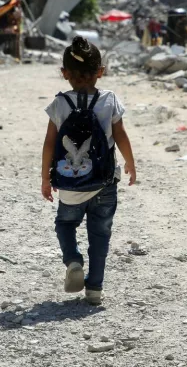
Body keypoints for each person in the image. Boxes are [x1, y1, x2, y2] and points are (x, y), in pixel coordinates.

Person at [41, 37, 137, 306]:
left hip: (70, 184)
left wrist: (45, 177)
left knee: (65, 224)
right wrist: (130, 163)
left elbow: (49, 143)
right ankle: (94, 288)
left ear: (65, 73)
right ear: (100, 71)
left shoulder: (59, 104)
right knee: (100, 234)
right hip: (104, 182)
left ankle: (73, 260)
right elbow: (121, 135)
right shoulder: (109, 100)